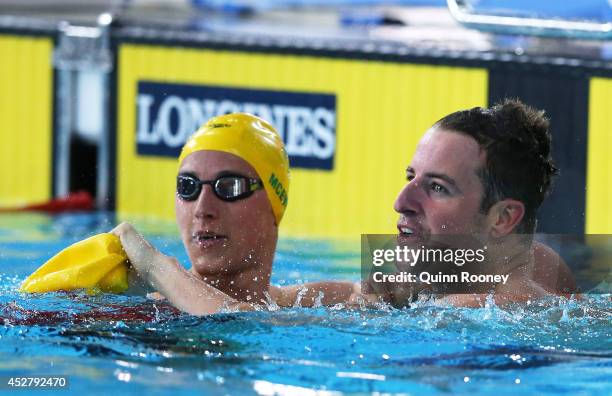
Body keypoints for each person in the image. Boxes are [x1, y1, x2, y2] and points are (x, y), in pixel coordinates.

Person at [112, 113, 357, 315]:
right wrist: (157, 269)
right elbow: (237, 322)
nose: (202, 210)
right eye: (188, 187)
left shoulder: (318, 302)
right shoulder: (141, 310)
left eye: (229, 187)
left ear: (274, 202)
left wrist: (157, 268)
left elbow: (244, 318)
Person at [357, 99, 576, 307]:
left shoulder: (458, 310)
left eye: (438, 187)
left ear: (502, 218)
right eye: (410, 177)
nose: (400, 202)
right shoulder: (543, 264)